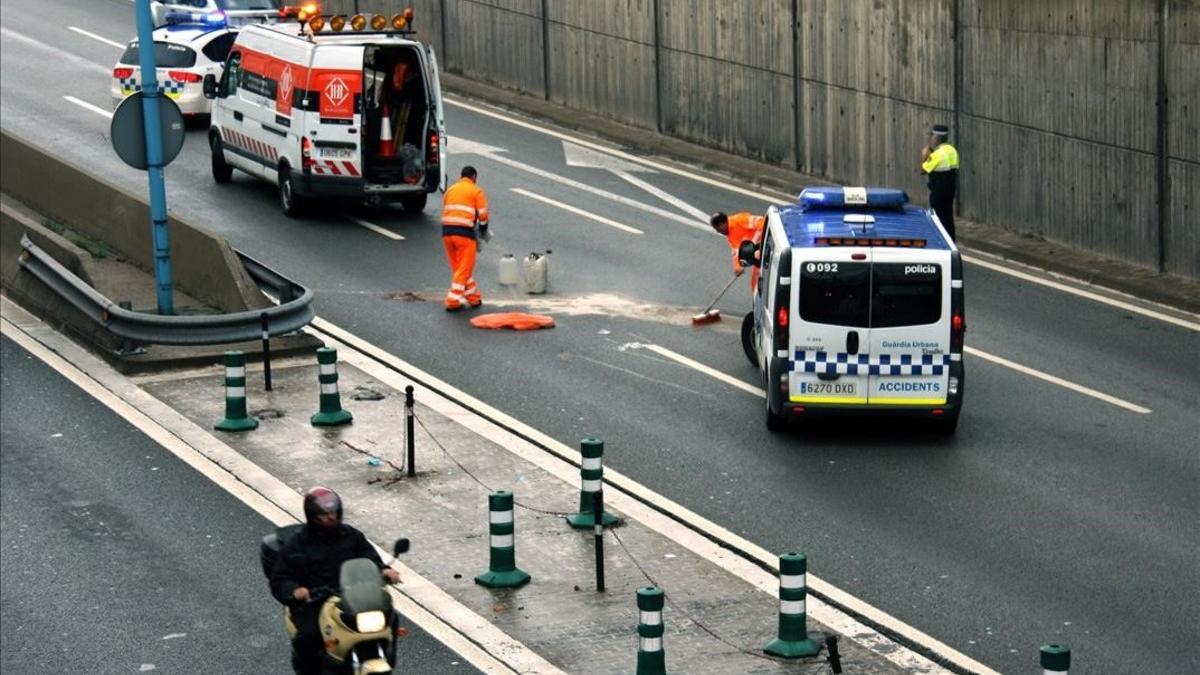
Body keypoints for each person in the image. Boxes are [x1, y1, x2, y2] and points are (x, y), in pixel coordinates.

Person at [270, 487, 401, 675]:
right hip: (315, 601)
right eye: (325, 514)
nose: (331, 517)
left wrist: (385, 570)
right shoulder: (298, 545)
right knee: (308, 637)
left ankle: (386, 656)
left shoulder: (351, 535)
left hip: (352, 598)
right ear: (313, 516)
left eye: (333, 512)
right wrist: (295, 591)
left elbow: (369, 557)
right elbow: (281, 578)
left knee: (392, 618)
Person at [440, 166, 490, 311]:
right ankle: (453, 300)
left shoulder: (451, 190)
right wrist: (483, 230)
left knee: (459, 268)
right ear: (474, 177)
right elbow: (483, 215)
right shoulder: (476, 191)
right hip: (464, 234)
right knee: (464, 268)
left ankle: (473, 297)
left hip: (447, 233)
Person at [920, 124, 959, 241]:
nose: (931, 138)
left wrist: (925, 156)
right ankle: (951, 240)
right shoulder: (953, 151)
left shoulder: (937, 154)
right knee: (948, 217)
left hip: (938, 192)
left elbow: (923, 170)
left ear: (936, 138)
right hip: (950, 190)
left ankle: (939, 241)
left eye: (932, 135)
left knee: (937, 218)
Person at [709, 211, 765, 291]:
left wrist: (753, 243)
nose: (718, 231)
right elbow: (736, 252)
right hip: (757, 254)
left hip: (766, 244)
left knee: (758, 275)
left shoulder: (739, 220)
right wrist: (738, 267)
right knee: (755, 279)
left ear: (722, 224)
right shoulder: (730, 236)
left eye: (717, 229)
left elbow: (761, 222)